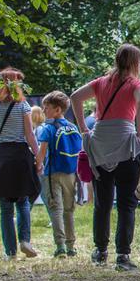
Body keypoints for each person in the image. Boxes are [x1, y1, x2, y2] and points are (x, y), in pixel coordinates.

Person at [70, 43, 140, 272]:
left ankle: (100, 250)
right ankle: (123, 255)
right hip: (125, 144)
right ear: (135, 63)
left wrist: (84, 129)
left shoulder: (101, 82)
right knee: (126, 204)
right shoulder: (136, 84)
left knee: (102, 203)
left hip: (100, 144)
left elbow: (75, 97)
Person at [0, 67, 41, 260]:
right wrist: (38, 158)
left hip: (1, 156)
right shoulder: (23, 106)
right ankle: (25, 240)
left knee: (5, 207)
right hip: (21, 155)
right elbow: (30, 135)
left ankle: (10, 252)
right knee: (22, 201)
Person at [35, 91, 81, 258]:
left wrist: (37, 166)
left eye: (46, 108)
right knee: (69, 210)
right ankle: (71, 246)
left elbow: (42, 152)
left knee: (55, 209)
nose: (43, 110)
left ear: (57, 110)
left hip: (52, 173)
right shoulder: (72, 127)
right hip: (70, 173)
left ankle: (60, 246)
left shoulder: (47, 128)